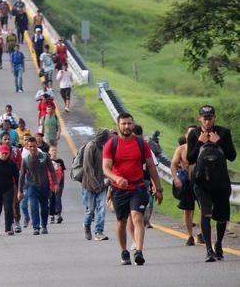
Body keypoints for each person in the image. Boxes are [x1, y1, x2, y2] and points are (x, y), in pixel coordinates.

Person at [102, 112, 163, 266]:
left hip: (138, 187)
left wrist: (159, 188)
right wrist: (117, 178)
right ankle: (124, 251)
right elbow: (106, 168)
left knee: (137, 217)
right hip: (119, 189)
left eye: (129, 123)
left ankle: (139, 251)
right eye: (123, 124)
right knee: (121, 221)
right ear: (118, 125)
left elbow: (150, 167)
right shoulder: (111, 144)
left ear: (133, 125)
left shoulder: (141, 144)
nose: (127, 127)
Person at [186, 105, 236, 262]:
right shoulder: (194, 134)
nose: (207, 122)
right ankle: (208, 250)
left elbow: (232, 156)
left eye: (210, 118)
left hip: (221, 182)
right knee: (206, 213)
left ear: (215, 118)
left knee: (222, 216)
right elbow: (190, 158)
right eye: (204, 118)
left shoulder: (224, 133)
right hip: (202, 183)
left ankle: (219, 245)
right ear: (199, 118)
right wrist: (200, 143)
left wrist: (219, 141)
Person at [18, 137, 57, 235]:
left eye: (34, 146)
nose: (32, 148)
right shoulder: (26, 159)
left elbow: (52, 171)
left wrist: (55, 184)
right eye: (30, 146)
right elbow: (22, 175)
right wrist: (20, 190)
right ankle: (36, 227)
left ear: (37, 145)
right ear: (27, 147)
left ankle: (44, 226)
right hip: (32, 186)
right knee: (34, 206)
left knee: (44, 207)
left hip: (44, 186)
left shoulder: (44, 156)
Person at [81, 128, 113, 241]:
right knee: (90, 210)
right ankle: (86, 226)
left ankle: (99, 231)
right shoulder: (91, 147)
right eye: (108, 137)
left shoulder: (105, 148)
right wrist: (95, 185)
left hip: (102, 185)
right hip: (89, 185)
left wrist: (108, 181)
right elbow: (87, 168)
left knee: (102, 208)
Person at [170, 125, 199, 246]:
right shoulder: (181, 149)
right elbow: (173, 164)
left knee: (205, 208)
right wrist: (176, 178)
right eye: (189, 133)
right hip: (187, 181)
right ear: (186, 135)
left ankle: (203, 233)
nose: (191, 136)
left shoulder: (202, 147)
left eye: (194, 133)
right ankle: (190, 235)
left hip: (200, 181)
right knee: (187, 210)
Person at [48, 146, 66, 224]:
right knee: (51, 199)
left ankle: (58, 214)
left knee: (58, 198)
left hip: (59, 183)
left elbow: (63, 172)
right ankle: (51, 215)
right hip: (50, 184)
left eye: (55, 150)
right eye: (52, 150)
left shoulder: (60, 161)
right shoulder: (48, 161)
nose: (54, 152)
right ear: (49, 152)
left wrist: (62, 183)